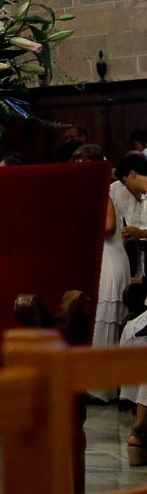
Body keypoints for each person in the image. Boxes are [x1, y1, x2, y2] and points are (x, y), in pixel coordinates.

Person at [95, 154, 147, 405]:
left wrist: (141, 232)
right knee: (124, 328)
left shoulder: (107, 194)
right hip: (135, 261)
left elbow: (107, 227)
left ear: (132, 174)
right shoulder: (120, 192)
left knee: (117, 322)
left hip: (118, 260)